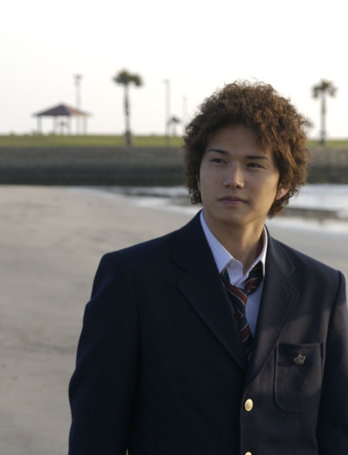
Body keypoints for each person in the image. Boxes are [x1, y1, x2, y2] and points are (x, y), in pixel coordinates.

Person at [69, 81, 348, 454]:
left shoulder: (323, 289)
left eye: (254, 164)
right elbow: (95, 431)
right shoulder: (132, 278)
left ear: (283, 183)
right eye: (218, 161)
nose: (233, 179)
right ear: (197, 170)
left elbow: (336, 432)